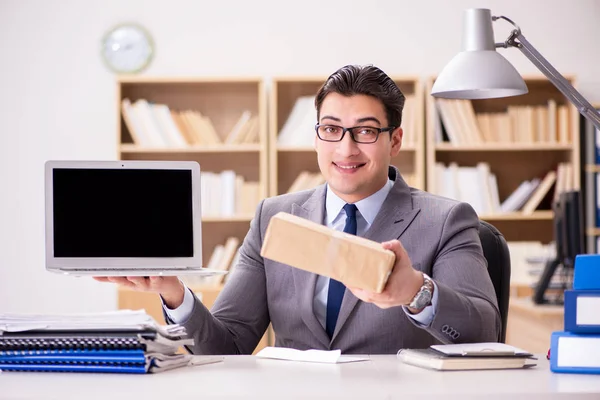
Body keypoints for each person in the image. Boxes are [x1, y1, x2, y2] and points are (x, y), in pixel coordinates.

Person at [95, 64, 501, 355]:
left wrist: (416, 291)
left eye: (365, 131)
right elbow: (226, 346)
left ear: (394, 140)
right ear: (317, 136)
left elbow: (484, 333)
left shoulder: (446, 220)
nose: (345, 149)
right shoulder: (273, 216)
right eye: (331, 129)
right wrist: (173, 292)